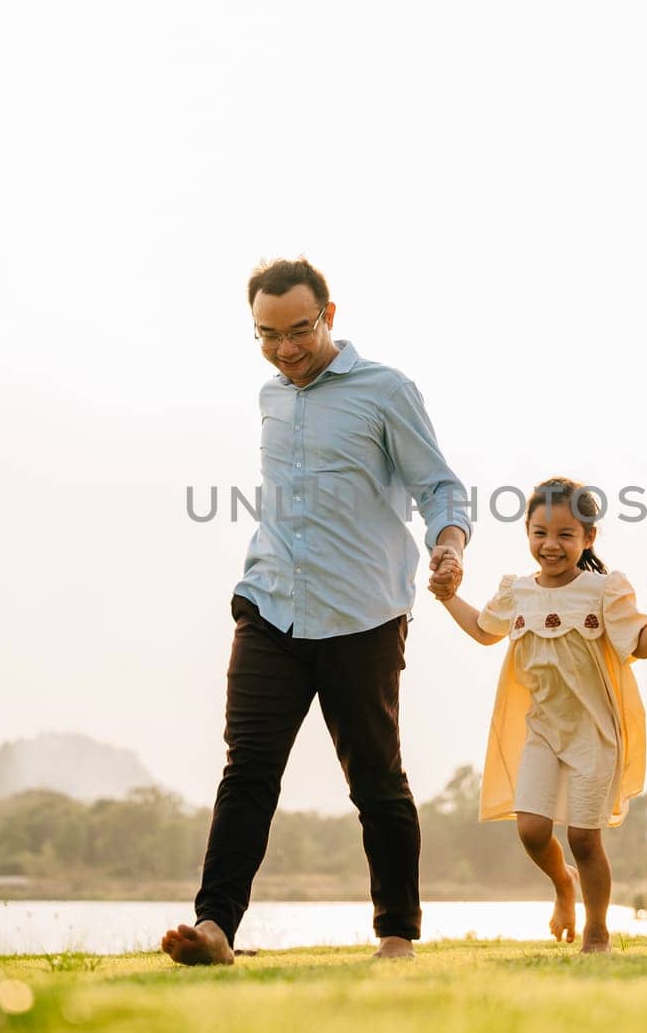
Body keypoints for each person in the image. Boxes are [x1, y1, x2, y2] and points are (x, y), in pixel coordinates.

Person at [161, 258, 471, 965]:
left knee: (376, 781)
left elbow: (441, 488)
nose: (286, 348)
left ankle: (396, 935)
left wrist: (449, 547)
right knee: (247, 771)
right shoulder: (271, 396)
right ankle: (214, 928)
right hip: (271, 605)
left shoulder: (386, 390)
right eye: (268, 335)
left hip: (363, 615)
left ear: (331, 313)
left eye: (299, 330)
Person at [430, 478, 647, 953]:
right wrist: (446, 597)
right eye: (540, 532)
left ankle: (598, 929)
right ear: (527, 533)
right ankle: (563, 886)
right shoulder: (518, 592)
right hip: (541, 732)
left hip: (594, 734)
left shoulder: (604, 591)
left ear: (588, 539)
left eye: (565, 534)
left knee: (585, 838)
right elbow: (484, 631)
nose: (551, 545)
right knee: (532, 829)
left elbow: (640, 645)